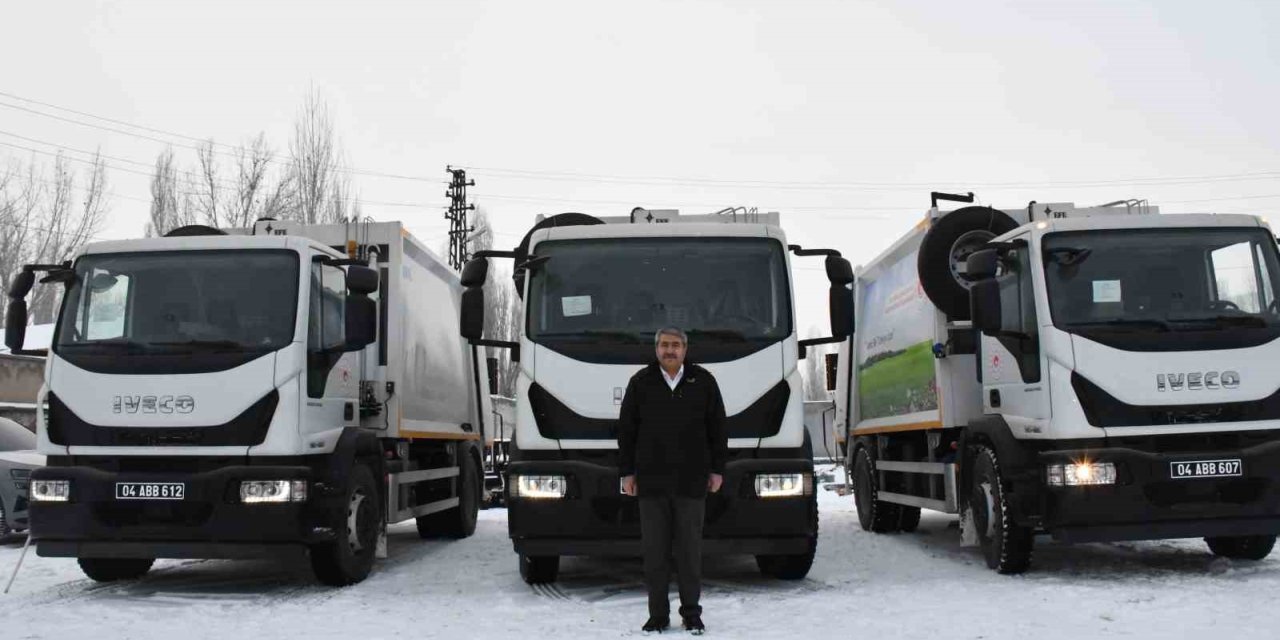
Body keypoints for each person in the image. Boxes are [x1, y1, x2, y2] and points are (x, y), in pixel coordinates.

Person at [618, 327, 728, 635]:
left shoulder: (703, 381)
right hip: (651, 484)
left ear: (685, 349)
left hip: (692, 483)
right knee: (655, 554)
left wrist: (717, 470)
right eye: (665, 345)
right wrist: (626, 472)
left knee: (690, 553)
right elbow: (627, 431)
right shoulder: (640, 383)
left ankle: (692, 614)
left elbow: (718, 429)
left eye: (676, 345)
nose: (670, 350)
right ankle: (658, 615)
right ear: (656, 349)